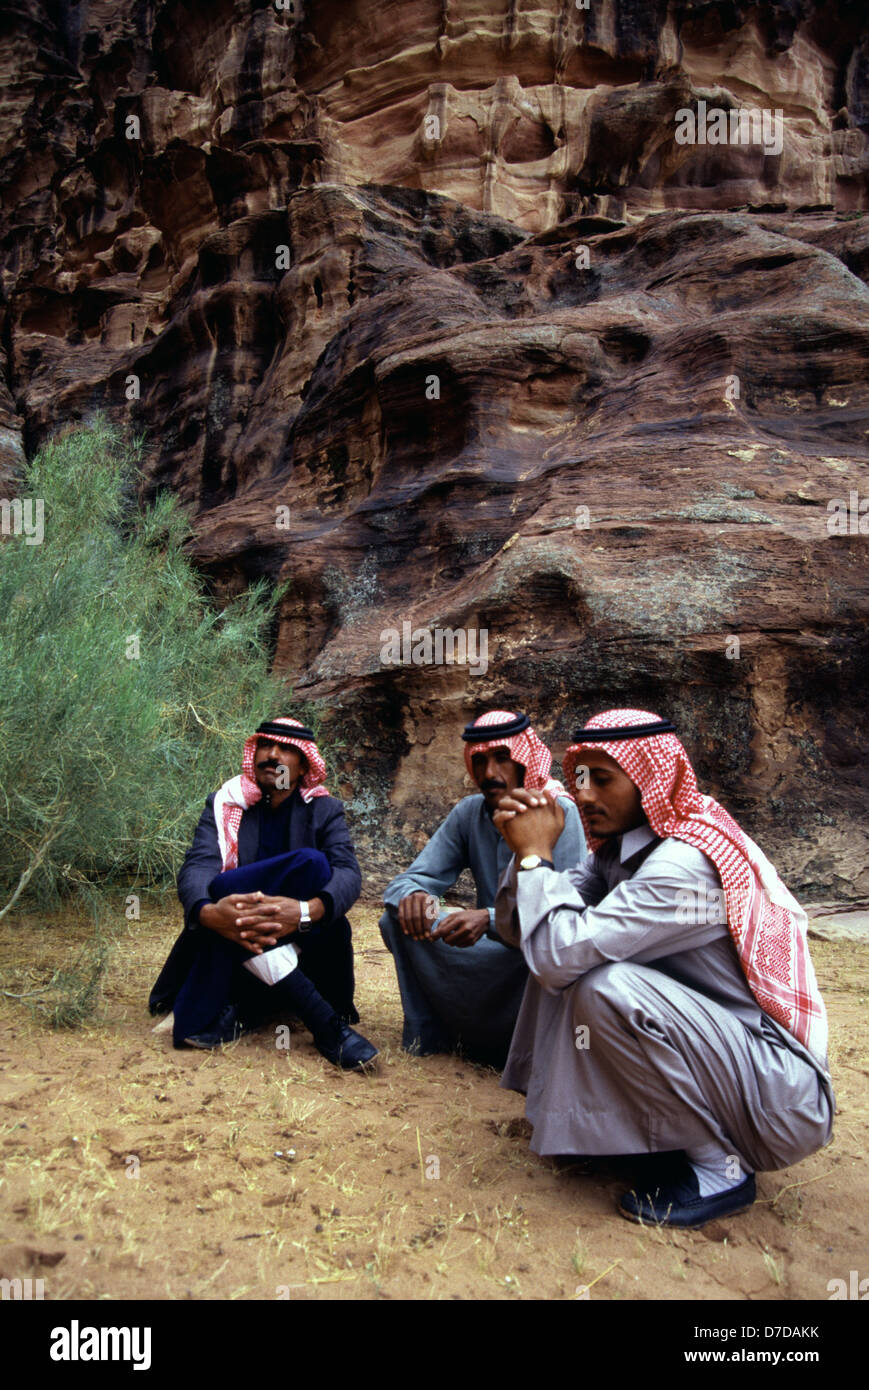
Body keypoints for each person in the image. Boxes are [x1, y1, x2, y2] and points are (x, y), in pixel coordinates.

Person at [493, 708, 834, 1227]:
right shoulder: (618, 852)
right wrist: (524, 858)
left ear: (652, 778)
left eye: (603, 780)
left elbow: (558, 957)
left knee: (602, 982)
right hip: (729, 1064)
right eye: (580, 779)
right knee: (565, 941)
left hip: (778, 1098)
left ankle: (720, 1170)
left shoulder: (683, 866)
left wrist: (539, 858)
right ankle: (605, 1132)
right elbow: (526, 935)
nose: (583, 796)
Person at [149, 717, 378, 1070]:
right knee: (222, 890)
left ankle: (241, 1009)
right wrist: (211, 914)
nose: (272, 755)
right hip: (230, 923)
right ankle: (324, 1025)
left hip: (303, 937)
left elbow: (347, 873)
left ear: (304, 765)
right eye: (265, 746)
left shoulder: (324, 810)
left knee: (313, 866)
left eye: (286, 749)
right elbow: (198, 867)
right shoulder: (226, 804)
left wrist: (306, 911)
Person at [380, 710, 586, 1065]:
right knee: (396, 921)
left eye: (502, 759)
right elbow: (411, 879)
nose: (490, 773)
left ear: (524, 761)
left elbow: (568, 918)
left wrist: (488, 919)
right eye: (479, 761)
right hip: (484, 947)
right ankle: (433, 1033)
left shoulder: (558, 814)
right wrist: (416, 898)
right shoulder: (470, 812)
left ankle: (520, 1046)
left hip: (530, 949)